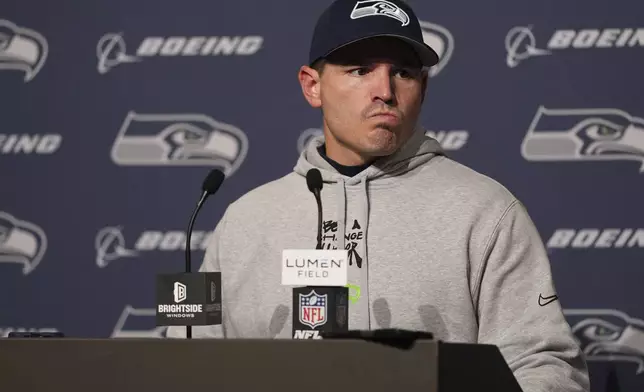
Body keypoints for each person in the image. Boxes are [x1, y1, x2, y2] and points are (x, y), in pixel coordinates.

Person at [168, 0, 590, 391]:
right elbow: (182, 363)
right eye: (360, 70)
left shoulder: (486, 211)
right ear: (312, 86)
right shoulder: (243, 221)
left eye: (403, 73)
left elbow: (544, 365)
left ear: (422, 89)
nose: (385, 91)